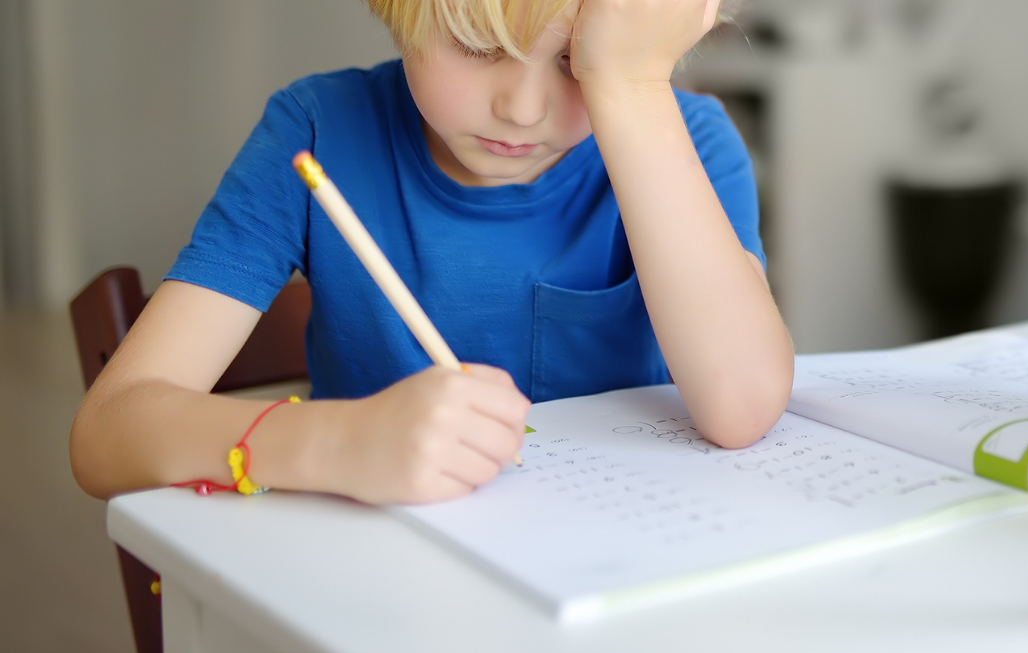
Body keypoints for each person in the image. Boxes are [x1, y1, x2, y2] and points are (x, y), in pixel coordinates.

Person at [69, 0, 791, 504]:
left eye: (578, 63)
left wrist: (633, 90)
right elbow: (106, 437)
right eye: (480, 48)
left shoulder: (689, 143)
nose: (522, 107)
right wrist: (338, 443)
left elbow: (742, 407)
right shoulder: (318, 131)